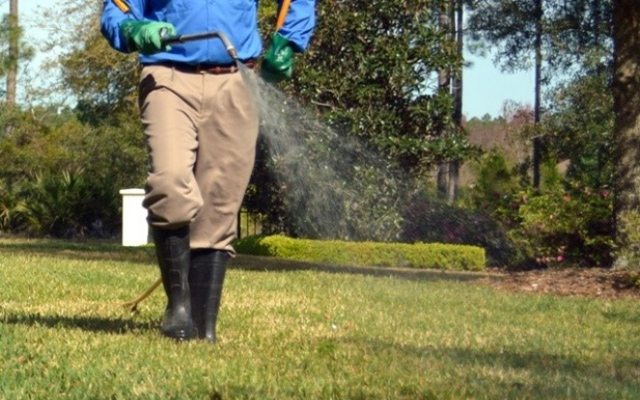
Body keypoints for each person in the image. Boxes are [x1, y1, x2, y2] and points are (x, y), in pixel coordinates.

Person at [101, 0, 316, 342]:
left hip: (236, 78)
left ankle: (204, 328)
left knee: (220, 204)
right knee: (170, 183)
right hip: (167, 77)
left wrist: (288, 40)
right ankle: (179, 309)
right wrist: (133, 30)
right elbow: (117, 10)